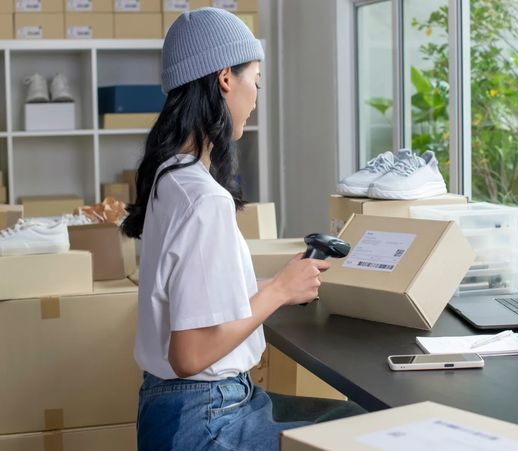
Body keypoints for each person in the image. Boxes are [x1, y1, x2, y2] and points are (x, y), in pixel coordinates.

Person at [121, 8, 365, 451]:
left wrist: (273, 281)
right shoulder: (204, 198)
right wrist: (278, 293)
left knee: (349, 418)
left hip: (177, 409)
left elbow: (188, 295)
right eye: (255, 79)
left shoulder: (169, 177)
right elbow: (190, 354)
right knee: (367, 431)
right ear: (225, 79)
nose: (256, 97)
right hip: (208, 418)